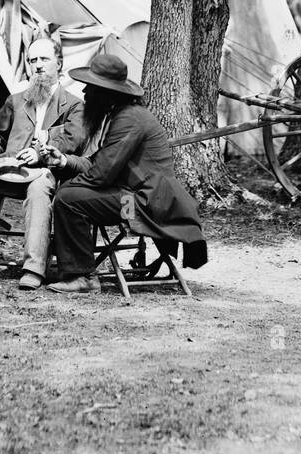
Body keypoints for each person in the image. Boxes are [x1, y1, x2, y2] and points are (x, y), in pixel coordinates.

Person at [41, 53, 208, 294]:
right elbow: (100, 163)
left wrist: (66, 188)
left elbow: (101, 174)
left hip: (143, 205)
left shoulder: (129, 119)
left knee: (69, 200)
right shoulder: (122, 115)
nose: (86, 93)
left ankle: (82, 275)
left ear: (106, 92)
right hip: (136, 196)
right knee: (70, 191)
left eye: (91, 87)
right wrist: (65, 161)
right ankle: (74, 267)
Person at [0, 36, 84, 290]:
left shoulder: (74, 105)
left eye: (44, 59)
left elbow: (72, 141)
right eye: (32, 60)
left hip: (42, 172)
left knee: (39, 190)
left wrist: (41, 154)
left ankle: (34, 269)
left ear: (59, 63)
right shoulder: (15, 100)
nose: (37, 65)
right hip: (6, 169)